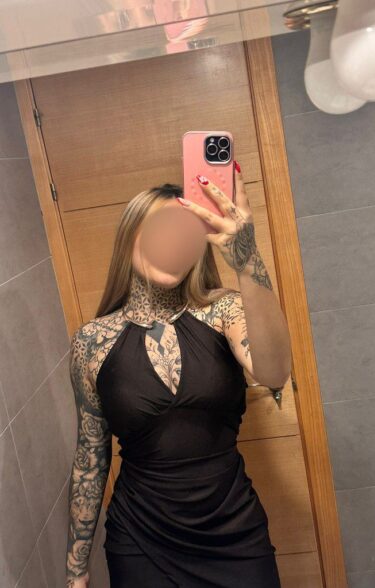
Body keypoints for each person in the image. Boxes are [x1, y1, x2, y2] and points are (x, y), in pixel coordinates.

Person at [65, 161, 291, 587]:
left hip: (234, 534)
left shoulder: (224, 310)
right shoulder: (91, 343)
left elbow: (275, 372)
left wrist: (247, 259)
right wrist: (76, 570)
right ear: (130, 238)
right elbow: (90, 459)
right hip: (140, 540)